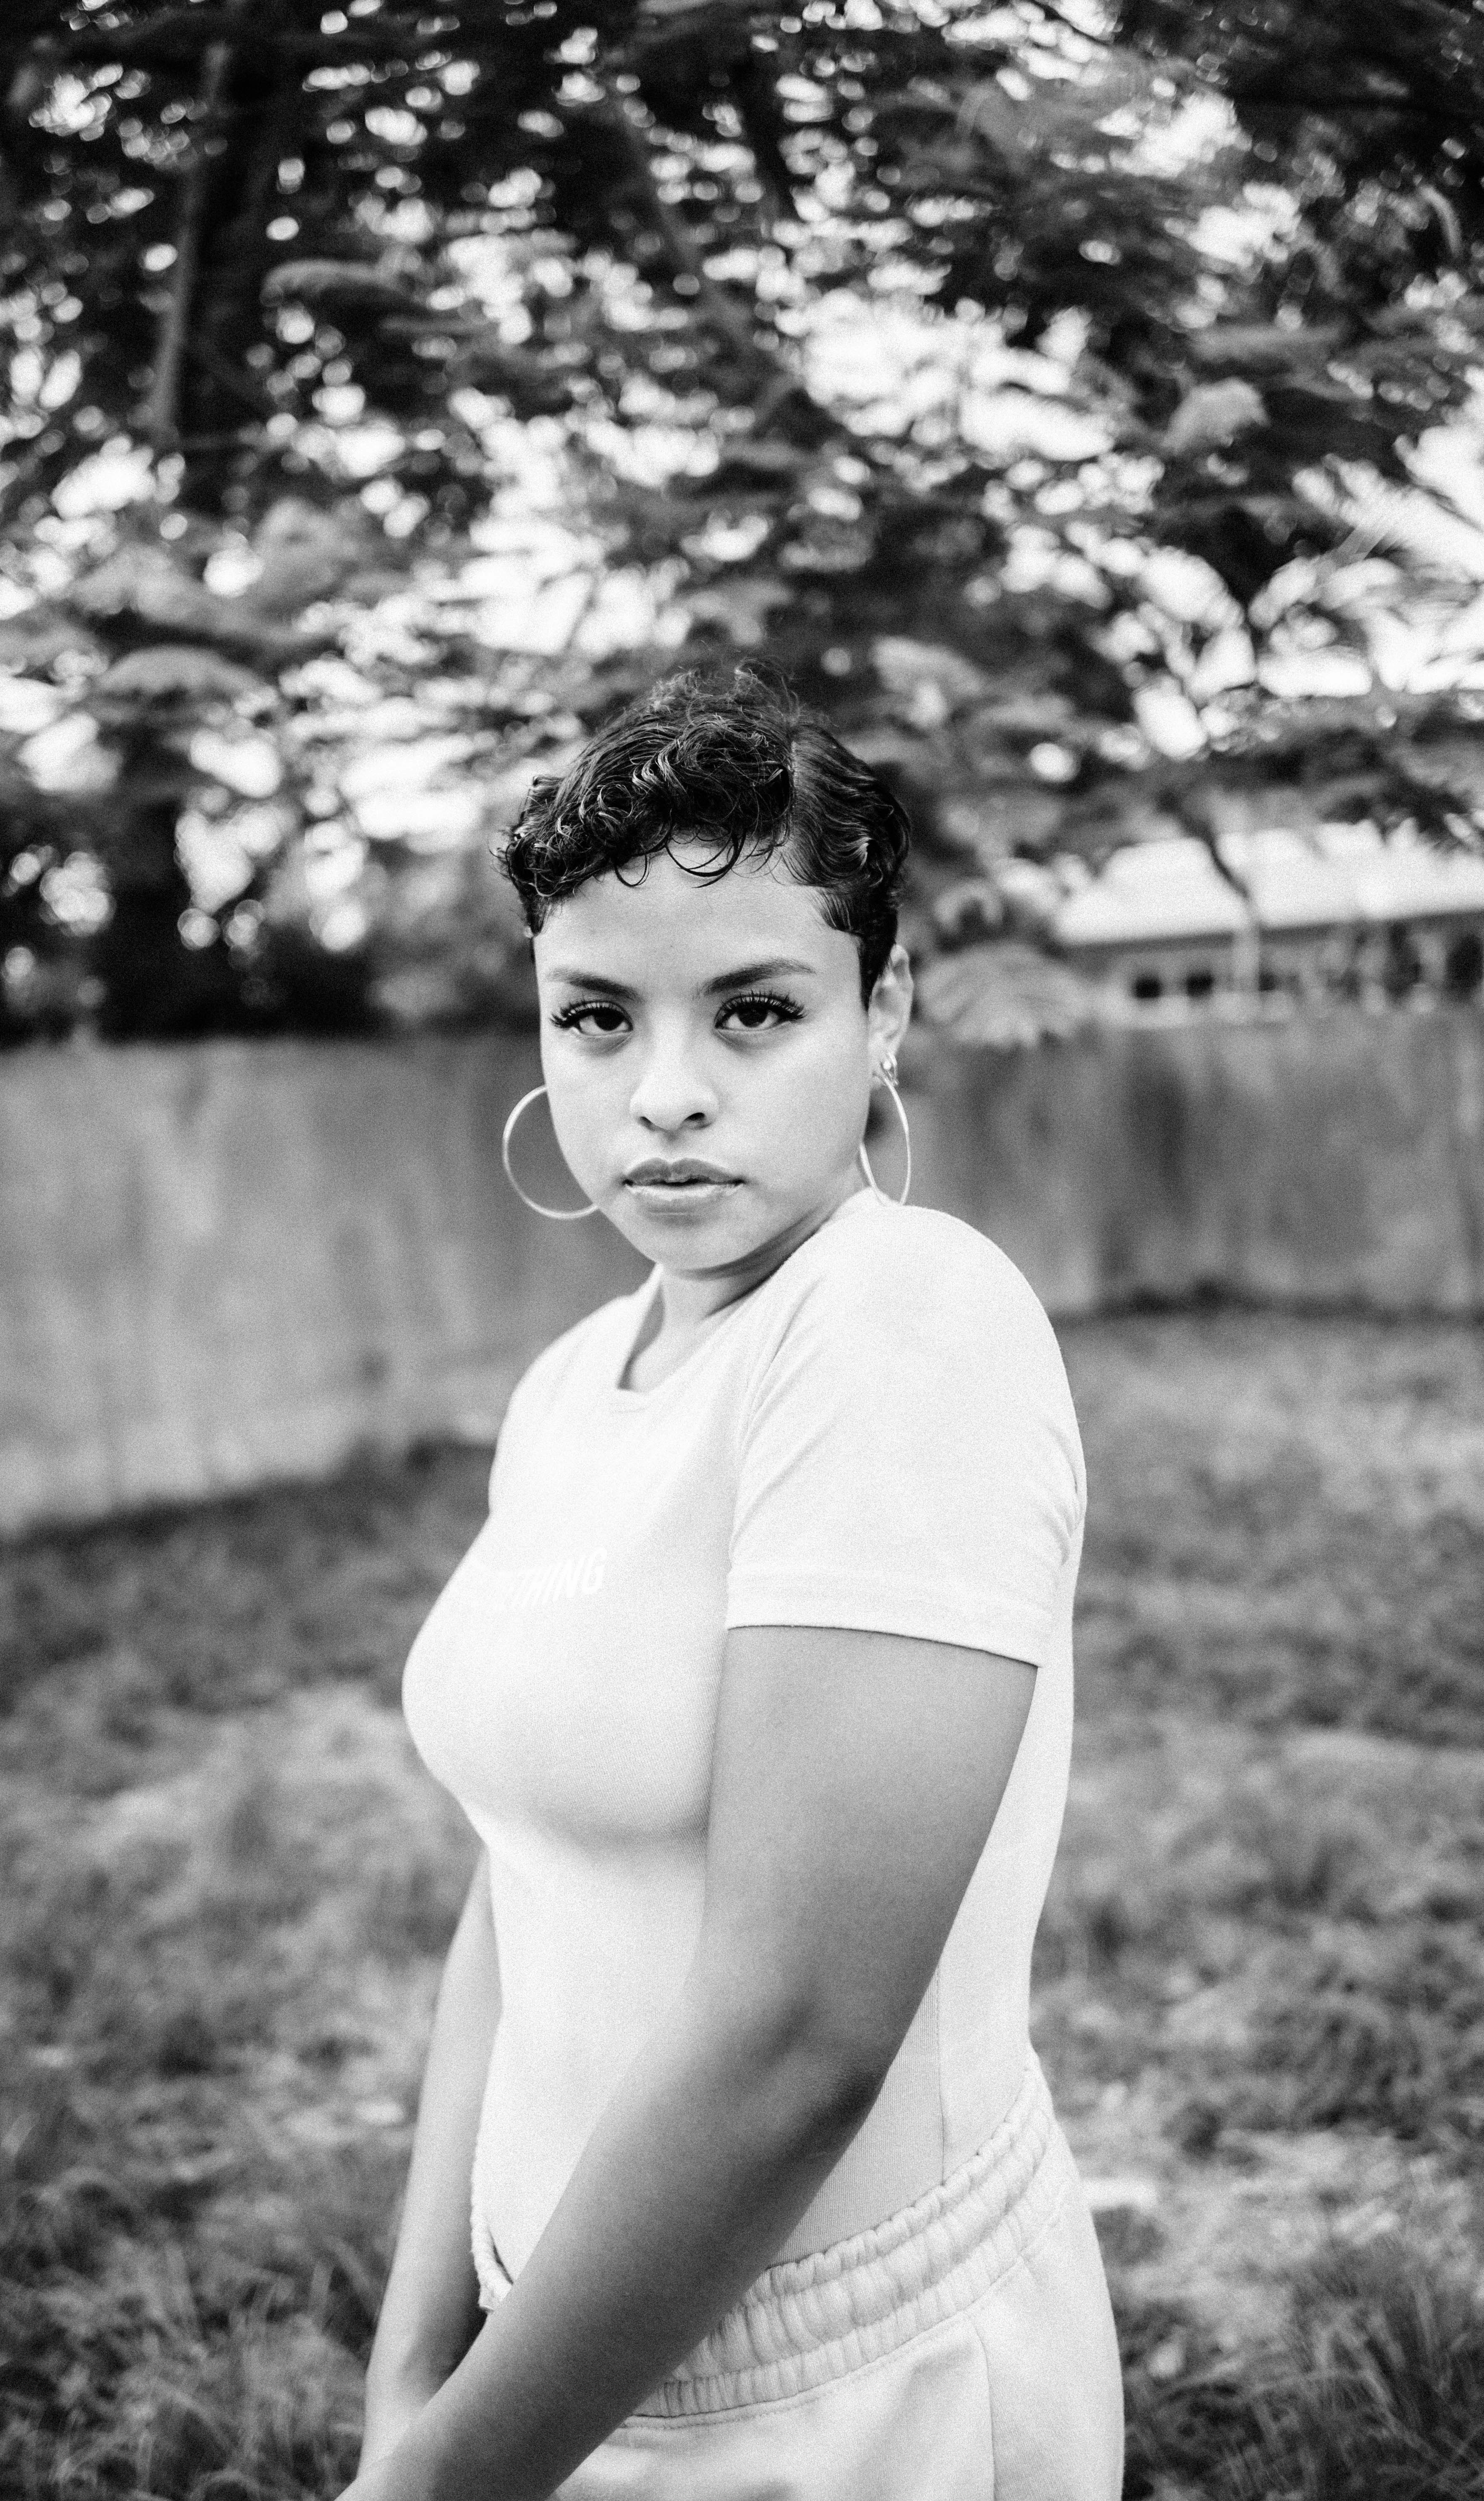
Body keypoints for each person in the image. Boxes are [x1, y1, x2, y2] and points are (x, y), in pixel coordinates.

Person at [340, 667, 1123, 2501]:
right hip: (558, 2367)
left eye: (755, 1009)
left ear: (884, 1011)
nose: (665, 1096)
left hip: (848, 2411)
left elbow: (798, 2036)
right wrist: (418, 2355)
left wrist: (436, 2485)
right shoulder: (574, 1382)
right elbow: (516, 1888)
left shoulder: (905, 1319)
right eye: (597, 1017)